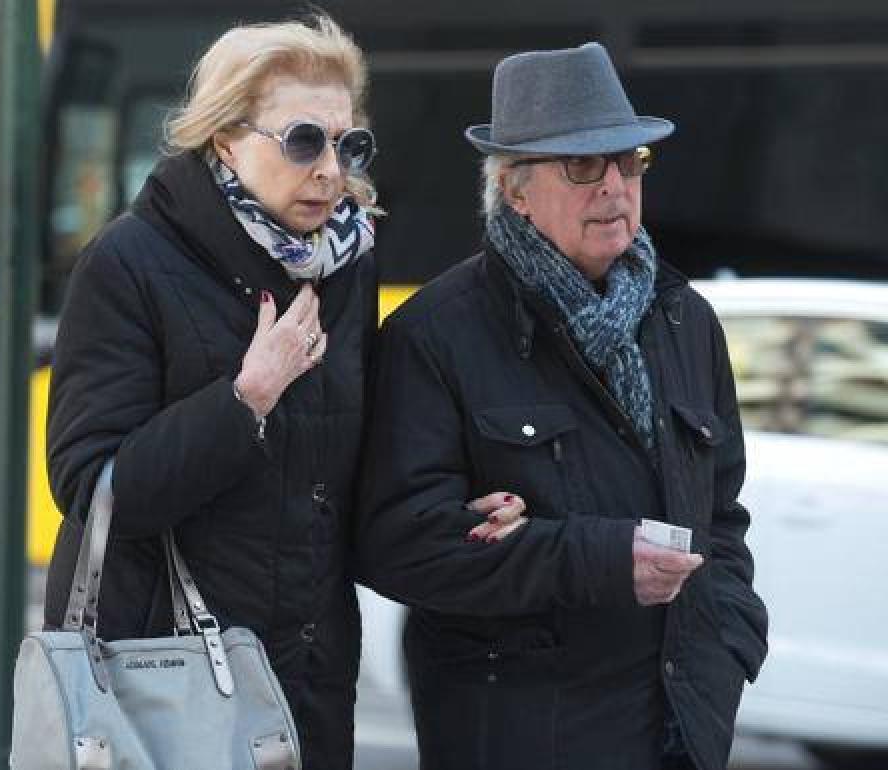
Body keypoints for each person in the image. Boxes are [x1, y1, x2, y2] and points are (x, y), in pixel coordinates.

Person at [356, 43, 768, 770]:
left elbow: (723, 516)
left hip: (677, 728)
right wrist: (602, 559)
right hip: (518, 734)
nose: (613, 185)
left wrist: (729, 640)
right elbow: (398, 544)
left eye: (629, 160)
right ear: (514, 188)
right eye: (582, 166)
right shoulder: (434, 334)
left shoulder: (685, 319)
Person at [41, 15, 403, 767]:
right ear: (225, 139)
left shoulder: (346, 265)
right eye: (305, 140)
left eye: (349, 143)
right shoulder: (129, 263)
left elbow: (343, 476)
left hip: (307, 683)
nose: (331, 170)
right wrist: (245, 400)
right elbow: (94, 488)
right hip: (166, 687)